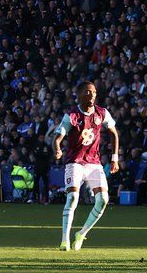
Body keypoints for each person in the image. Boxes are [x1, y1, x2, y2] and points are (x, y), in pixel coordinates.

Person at [50, 80, 120, 252]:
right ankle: (65, 240)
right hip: (75, 162)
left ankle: (81, 234)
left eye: (94, 92)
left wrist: (114, 158)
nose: (92, 95)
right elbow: (58, 137)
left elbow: (114, 134)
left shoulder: (102, 113)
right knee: (72, 198)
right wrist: (57, 149)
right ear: (79, 95)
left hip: (94, 163)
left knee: (103, 200)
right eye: (88, 92)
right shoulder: (72, 116)